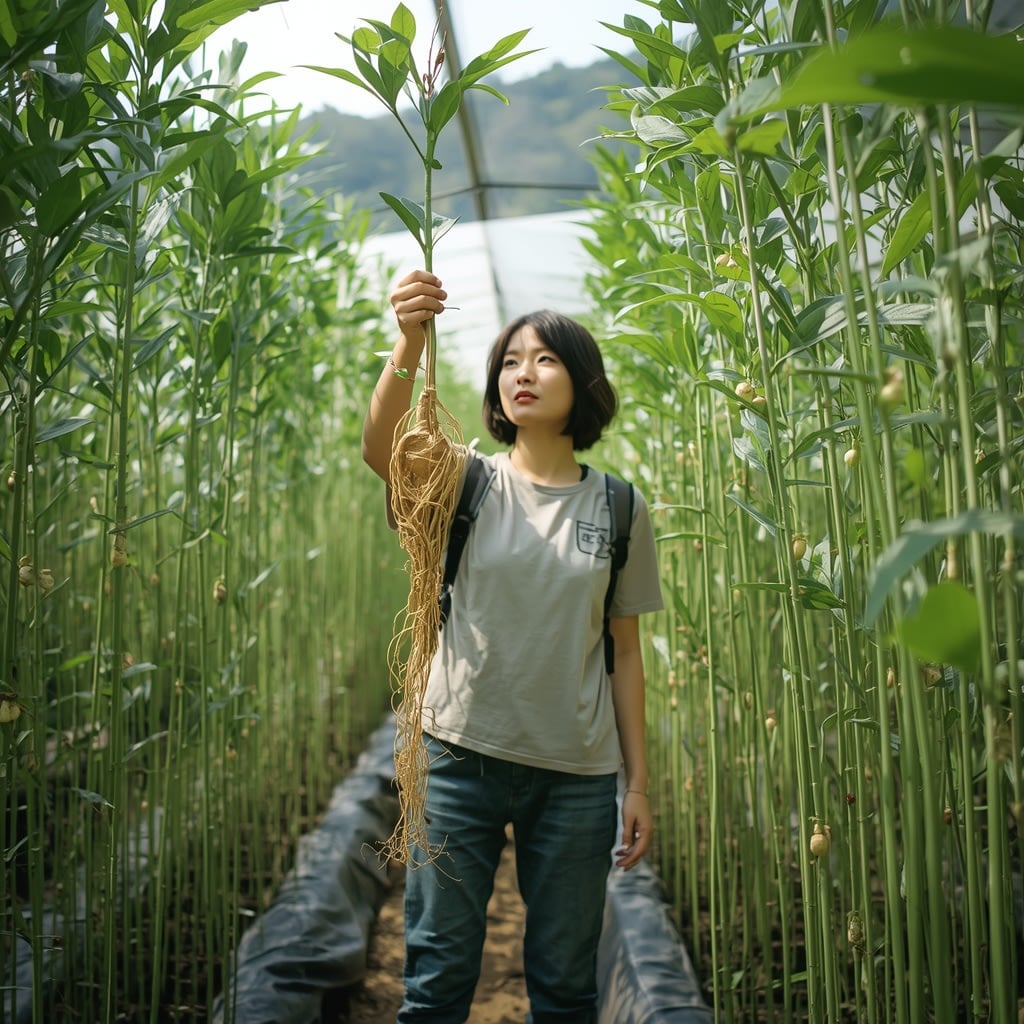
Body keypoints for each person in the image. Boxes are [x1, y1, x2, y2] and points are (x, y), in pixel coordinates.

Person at [362, 269, 664, 1024]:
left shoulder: (620, 506)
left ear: (584, 382)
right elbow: (382, 448)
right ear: (497, 393)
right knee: (436, 980)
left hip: (577, 777)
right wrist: (408, 341)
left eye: (546, 358)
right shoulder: (466, 482)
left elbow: (624, 653)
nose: (523, 372)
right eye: (509, 361)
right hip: (458, 757)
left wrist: (637, 784)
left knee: (565, 989)